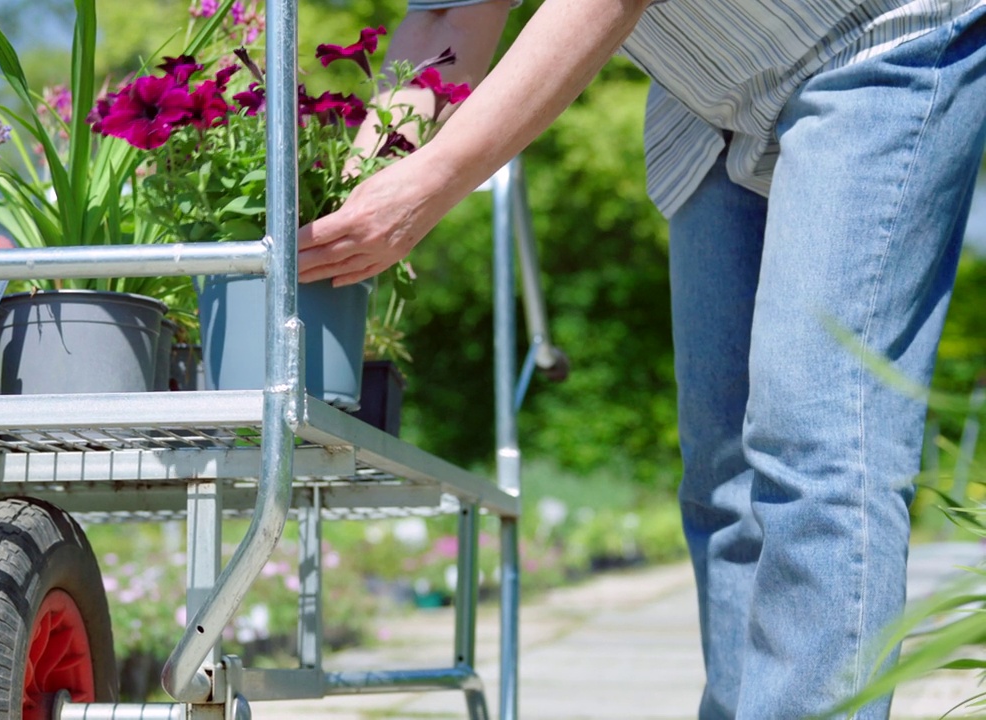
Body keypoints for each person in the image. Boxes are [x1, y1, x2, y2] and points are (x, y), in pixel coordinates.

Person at [297, 0, 986, 717]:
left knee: (818, 447)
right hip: (712, 84)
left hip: (877, 40)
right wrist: (340, 211)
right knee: (725, 482)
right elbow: (447, 24)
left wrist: (430, 184)